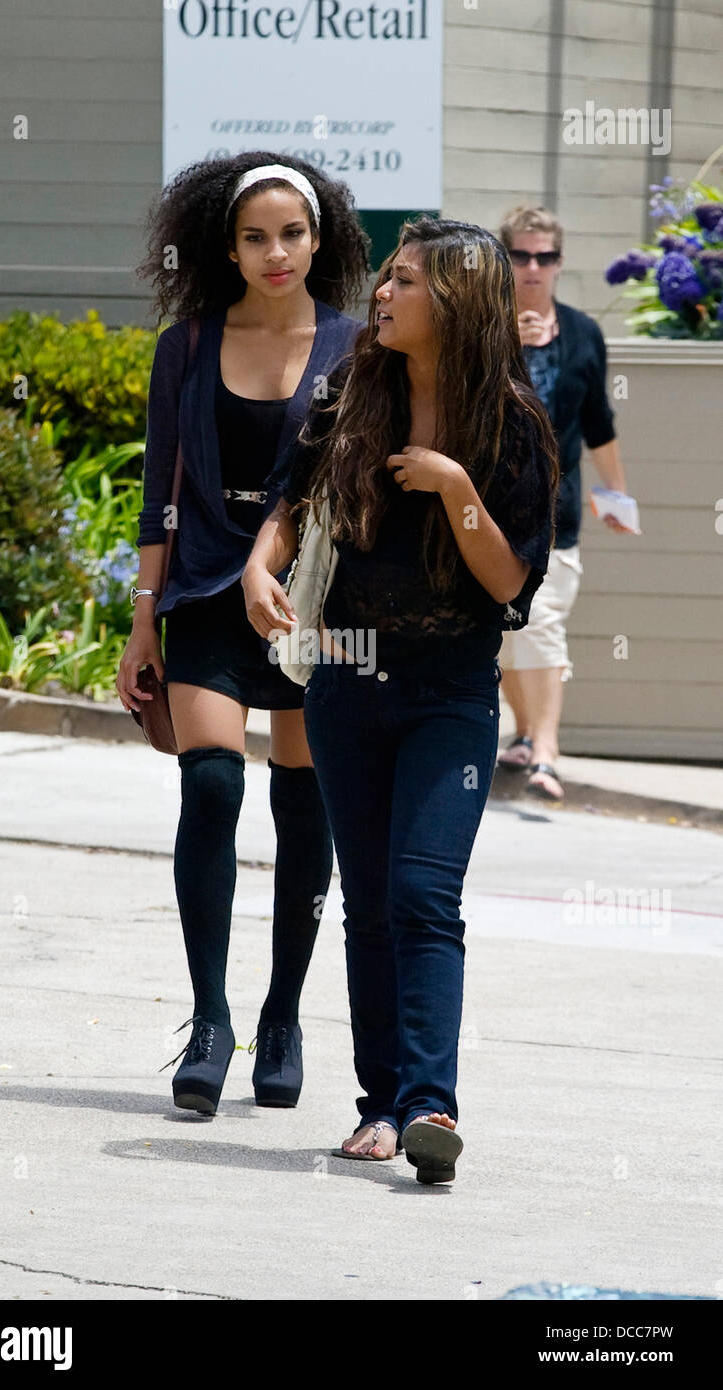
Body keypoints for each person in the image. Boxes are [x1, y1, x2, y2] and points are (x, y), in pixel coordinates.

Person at [242, 217, 559, 1183]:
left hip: (448, 692)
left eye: (408, 281)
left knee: (424, 895)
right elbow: (291, 505)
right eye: (387, 279)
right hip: (343, 678)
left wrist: (456, 485)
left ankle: (431, 1104)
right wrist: (263, 568)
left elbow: (511, 585)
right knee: (370, 907)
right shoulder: (353, 392)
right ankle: (380, 1106)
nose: (384, 294)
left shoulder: (509, 425)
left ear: (455, 302)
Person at [116, 153, 368, 1116]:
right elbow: (157, 499)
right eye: (255, 237)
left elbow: (346, 488)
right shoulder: (184, 347)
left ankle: (286, 1015)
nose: (275, 253)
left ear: (319, 239)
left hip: (310, 604)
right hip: (204, 599)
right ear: (226, 245)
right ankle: (211, 1017)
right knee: (212, 782)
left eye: (292, 235)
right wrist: (143, 619)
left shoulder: (354, 347)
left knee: (304, 806)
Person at [496, 205, 632, 800]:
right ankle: (525, 733)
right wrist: (504, 349)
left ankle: (546, 750)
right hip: (490, 509)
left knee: (543, 624)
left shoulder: (582, 332)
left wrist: (617, 494)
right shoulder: (486, 328)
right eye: (522, 255)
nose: (533, 268)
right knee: (505, 632)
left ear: (558, 263)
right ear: (506, 259)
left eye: (544, 257)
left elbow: (599, 423)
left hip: (560, 511)